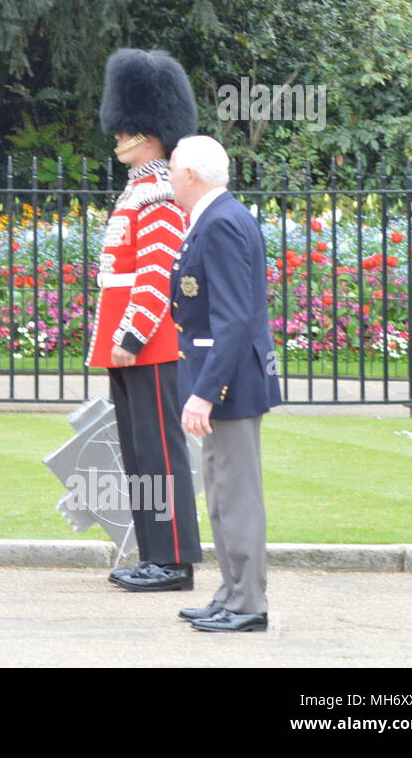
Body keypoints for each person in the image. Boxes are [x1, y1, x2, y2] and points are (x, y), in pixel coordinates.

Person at [88, 49, 204, 592]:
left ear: (148, 134)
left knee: (160, 454)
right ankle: (154, 553)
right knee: (139, 455)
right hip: (131, 340)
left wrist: (131, 334)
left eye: (125, 130)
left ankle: (174, 560)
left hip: (150, 341)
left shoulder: (157, 192)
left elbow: (158, 273)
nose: (117, 138)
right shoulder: (140, 186)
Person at [167, 135, 282, 632]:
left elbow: (231, 318)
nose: (169, 177)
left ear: (191, 173)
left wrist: (205, 391)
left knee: (236, 494)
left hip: (229, 382)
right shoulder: (214, 218)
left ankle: (248, 604)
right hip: (221, 378)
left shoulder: (221, 223)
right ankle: (230, 592)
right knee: (219, 491)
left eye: (172, 168)